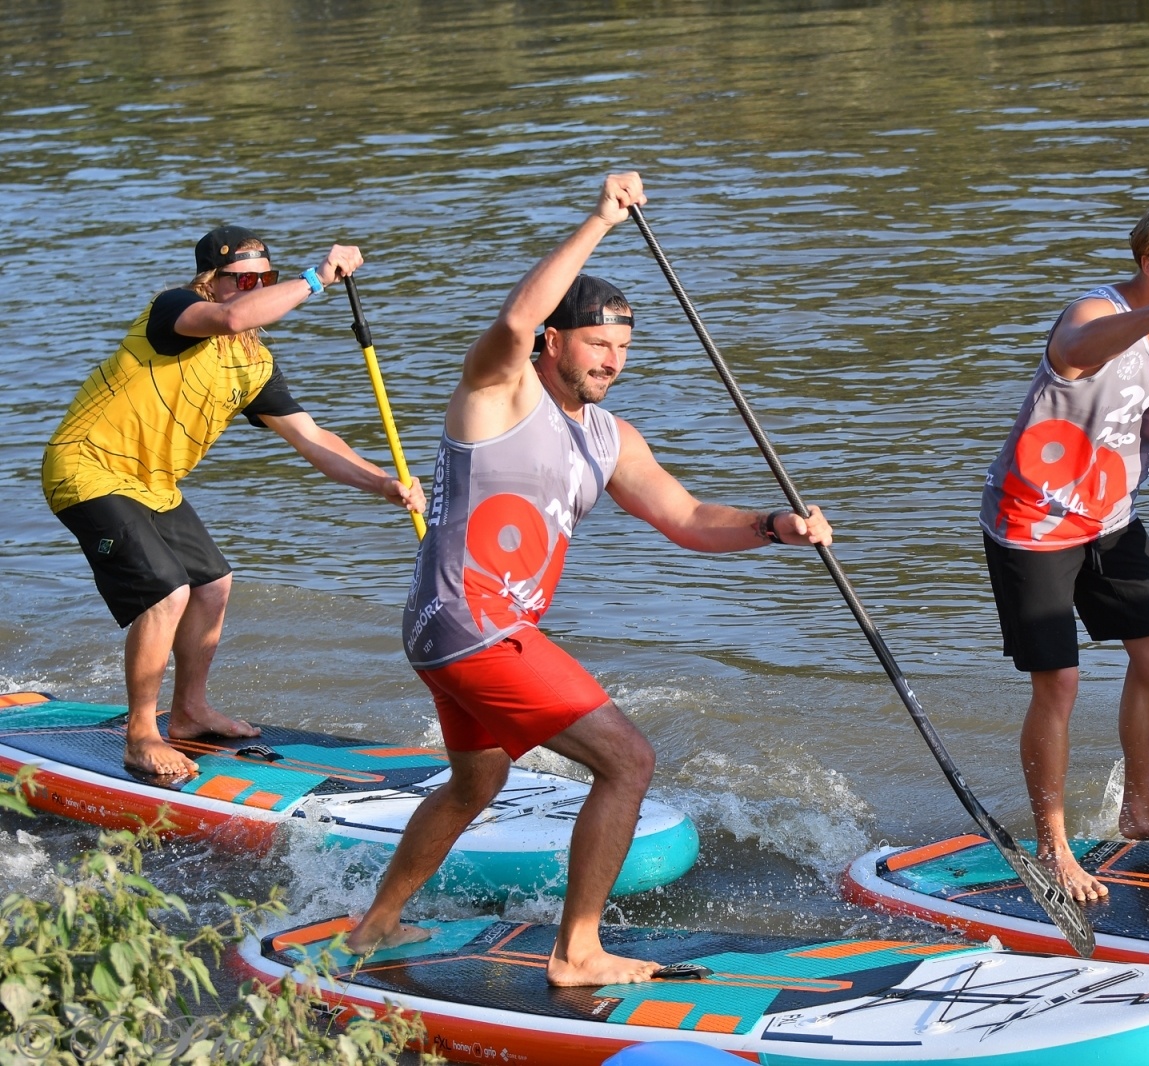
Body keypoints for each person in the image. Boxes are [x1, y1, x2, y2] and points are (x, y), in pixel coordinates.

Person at [345, 172, 832, 985]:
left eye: (624, 348)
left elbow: (685, 518)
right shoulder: (498, 393)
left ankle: (377, 923)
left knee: (476, 781)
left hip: (448, 631)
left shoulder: (611, 438)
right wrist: (601, 220)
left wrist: (775, 527)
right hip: (474, 623)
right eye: (599, 344)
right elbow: (513, 319)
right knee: (627, 760)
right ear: (553, 343)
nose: (614, 360)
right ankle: (577, 951)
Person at [41, 228, 426, 779]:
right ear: (209, 281)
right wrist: (317, 278)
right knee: (168, 592)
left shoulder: (253, 365)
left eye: (265, 279)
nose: (256, 288)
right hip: (86, 467)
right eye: (244, 280)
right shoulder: (175, 311)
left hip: (153, 484)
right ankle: (141, 735)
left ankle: (190, 710)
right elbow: (230, 318)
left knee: (213, 584)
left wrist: (382, 482)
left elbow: (313, 439)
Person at [978, 199, 1149, 902]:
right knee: (1059, 682)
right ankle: (1053, 847)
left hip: (1110, 520)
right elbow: (1075, 350)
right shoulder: (1096, 313)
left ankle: (1141, 809)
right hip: (1033, 522)